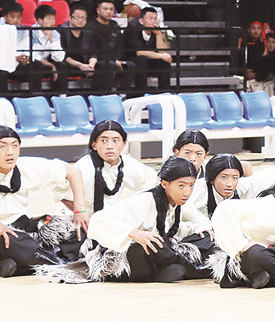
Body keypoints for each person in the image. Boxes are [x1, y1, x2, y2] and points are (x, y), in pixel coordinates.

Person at [39, 157, 214, 283]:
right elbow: (98, 220)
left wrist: (202, 229)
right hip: (125, 255)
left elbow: (190, 222)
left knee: (206, 238)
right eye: (181, 186)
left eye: (191, 186)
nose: (187, 192)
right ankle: (192, 271)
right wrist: (134, 233)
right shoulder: (144, 201)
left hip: (160, 250)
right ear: (165, 184)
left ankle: (166, 270)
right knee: (154, 246)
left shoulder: (178, 202)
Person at [0, 126, 89, 278]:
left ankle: (21, 265)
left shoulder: (25, 165)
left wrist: (79, 210)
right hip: (6, 234)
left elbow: (73, 172)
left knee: (75, 231)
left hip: (22, 225)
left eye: (15, 145)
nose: (10, 152)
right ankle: (60, 264)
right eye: (2, 146)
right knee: (11, 240)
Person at [71, 121, 158, 215]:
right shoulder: (82, 167)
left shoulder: (127, 163)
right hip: (82, 217)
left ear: (123, 144)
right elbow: (65, 196)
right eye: (104, 141)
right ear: (94, 145)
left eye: (115, 141)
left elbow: (153, 180)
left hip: (113, 218)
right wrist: (80, 212)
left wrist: (136, 206)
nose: (110, 146)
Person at [87, 0, 133, 92]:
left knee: (130, 65)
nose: (108, 11)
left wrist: (117, 59)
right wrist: (112, 60)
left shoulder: (115, 26)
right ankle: (103, 94)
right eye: (105, 9)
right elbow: (92, 49)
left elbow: (120, 47)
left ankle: (124, 94)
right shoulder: (90, 26)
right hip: (98, 60)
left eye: (111, 9)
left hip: (113, 60)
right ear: (98, 10)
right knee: (109, 65)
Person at [21, 4, 68, 91]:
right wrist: (50, 65)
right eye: (49, 19)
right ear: (40, 20)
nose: (52, 22)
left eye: (53, 18)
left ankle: (62, 96)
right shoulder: (30, 32)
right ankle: (35, 95)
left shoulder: (55, 34)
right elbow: (32, 55)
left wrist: (51, 40)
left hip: (46, 64)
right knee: (36, 65)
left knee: (62, 65)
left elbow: (59, 58)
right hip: (32, 64)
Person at [125, 7, 172, 91]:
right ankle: (141, 91)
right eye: (150, 18)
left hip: (148, 61)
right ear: (141, 21)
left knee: (165, 61)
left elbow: (161, 51)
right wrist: (161, 56)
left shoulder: (155, 30)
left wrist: (158, 34)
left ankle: (164, 91)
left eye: (155, 19)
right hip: (132, 60)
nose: (153, 21)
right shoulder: (133, 28)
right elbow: (139, 52)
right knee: (142, 59)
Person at [58, 3, 98, 87]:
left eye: (83, 18)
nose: (80, 20)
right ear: (70, 18)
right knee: (62, 66)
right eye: (77, 17)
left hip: (86, 64)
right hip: (70, 64)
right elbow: (63, 55)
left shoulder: (89, 33)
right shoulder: (61, 32)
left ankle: (100, 93)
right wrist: (81, 66)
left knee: (105, 65)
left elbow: (93, 53)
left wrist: (91, 65)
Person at [196, 153, 244, 218]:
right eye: (224, 177)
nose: (230, 184)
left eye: (235, 178)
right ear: (212, 179)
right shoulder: (197, 190)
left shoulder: (241, 186)